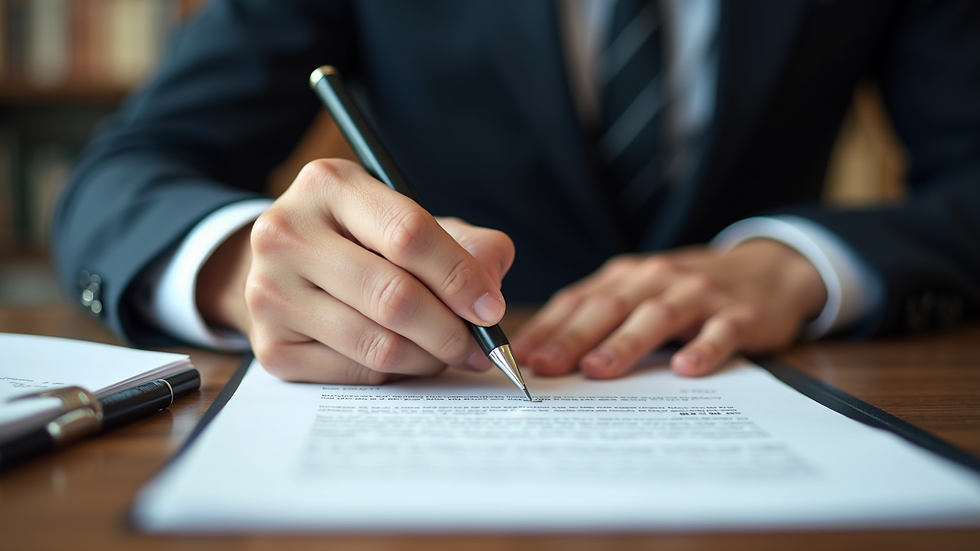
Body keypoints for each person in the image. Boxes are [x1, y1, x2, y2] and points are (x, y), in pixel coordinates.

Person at [53, 0, 979, 385]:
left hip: (765, 385)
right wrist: (239, 265)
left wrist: (807, 264)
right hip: (439, 397)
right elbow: (123, 175)